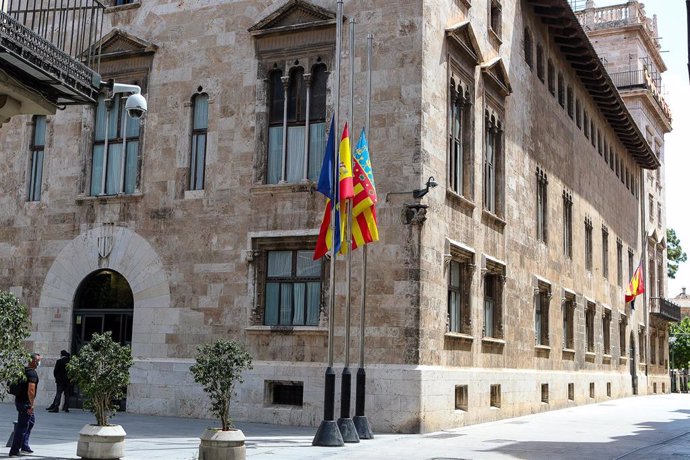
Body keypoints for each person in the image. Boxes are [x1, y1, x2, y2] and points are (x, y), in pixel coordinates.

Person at [9, 353, 40, 457]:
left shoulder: (24, 370)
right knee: (22, 427)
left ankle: (24, 445)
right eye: (38, 360)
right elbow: (31, 390)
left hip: (19, 401)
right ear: (33, 361)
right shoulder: (32, 374)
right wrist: (32, 405)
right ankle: (14, 451)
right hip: (26, 404)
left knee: (31, 421)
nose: (39, 362)